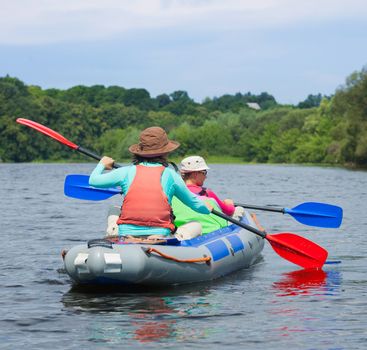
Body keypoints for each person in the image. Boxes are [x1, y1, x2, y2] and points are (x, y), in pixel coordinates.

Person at [89, 127, 211, 241]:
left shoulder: (126, 171)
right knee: (196, 225)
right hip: (160, 234)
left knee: (114, 209)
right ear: (165, 153)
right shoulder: (171, 175)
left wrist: (102, 164)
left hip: (126, 233)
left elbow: (93, 181)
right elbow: (195, 204)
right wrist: (207, 208)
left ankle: (114, 232)